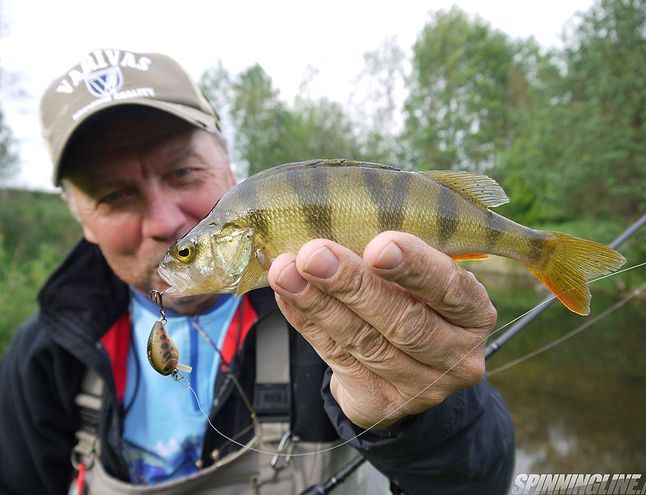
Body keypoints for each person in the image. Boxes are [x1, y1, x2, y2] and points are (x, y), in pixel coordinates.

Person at [0, 49, 514, 495]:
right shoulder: (45, 356)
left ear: (229, 172)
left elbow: (477, 484)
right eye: (113, 195)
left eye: (182, 172)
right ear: (81, 218)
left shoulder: (341, 305)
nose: (163, 223)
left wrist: (421, 418)